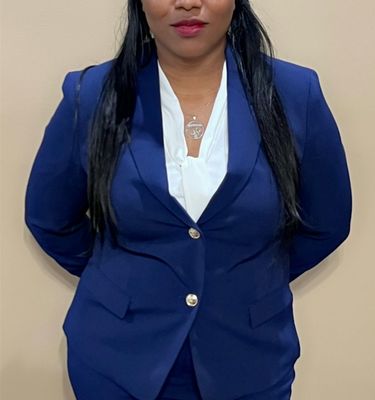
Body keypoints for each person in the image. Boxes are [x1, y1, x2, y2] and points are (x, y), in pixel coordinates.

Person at [24, 0, 352, 399]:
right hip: (116, 364)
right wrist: (124, 276)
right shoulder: (91, 94)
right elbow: (50, 219)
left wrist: (250, 277)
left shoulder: (295, 93)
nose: (187, 3)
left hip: (250, 363)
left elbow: (327, 223)